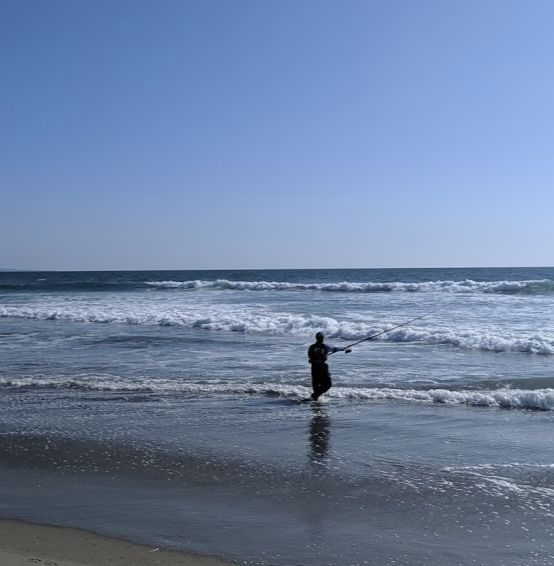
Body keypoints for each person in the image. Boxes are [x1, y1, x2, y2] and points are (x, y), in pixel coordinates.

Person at [307, 332, 351, 401]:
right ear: (323, 338)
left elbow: (310, 357)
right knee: (328, 384)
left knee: (316, 384)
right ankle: (315, 396)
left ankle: (315, 399)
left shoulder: (311, 347)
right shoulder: (326, 346)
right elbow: (335, 349)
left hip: (314, 367)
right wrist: (346, 349)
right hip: (322, 366)